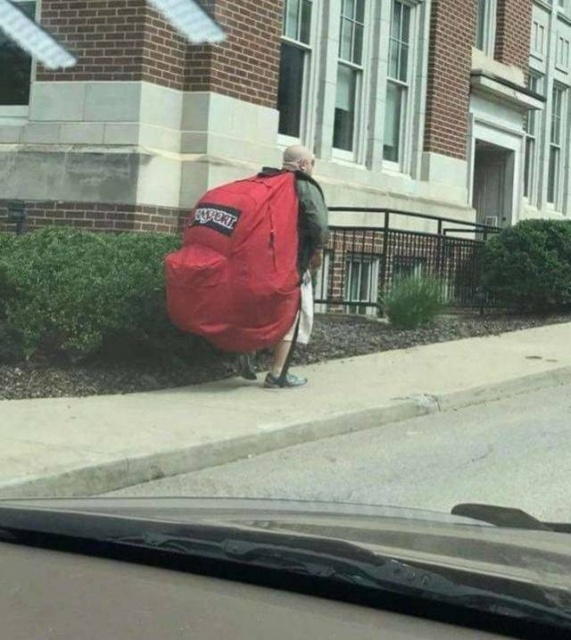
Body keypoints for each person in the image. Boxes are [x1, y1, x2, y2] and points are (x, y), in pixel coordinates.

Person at [238, 145, 329, 388]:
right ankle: (278, 374)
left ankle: (247, 351)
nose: (313, 167)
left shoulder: (268, 180)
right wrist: (318, 250)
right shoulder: (304, 185)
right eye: (312, 162)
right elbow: (319, 225)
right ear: (303, 165)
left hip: (261, 259)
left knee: (263, 309)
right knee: (292, 314)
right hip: (291, 263)